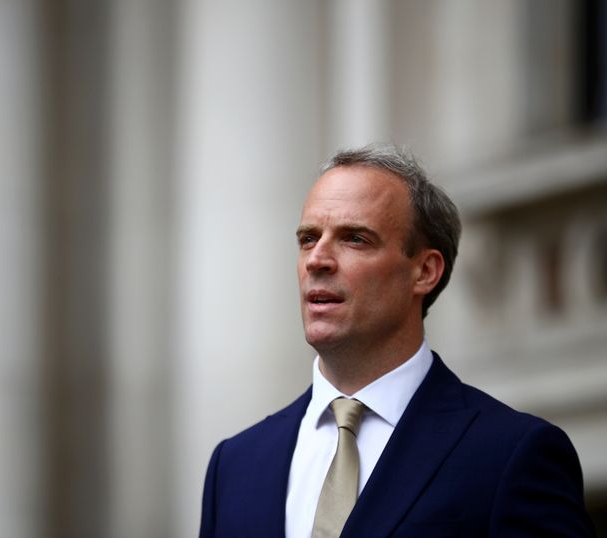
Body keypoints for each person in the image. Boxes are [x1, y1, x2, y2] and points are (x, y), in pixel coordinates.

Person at [199, 144, 594, 537]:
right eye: (307, 238)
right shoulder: (235, 465)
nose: (317, 259)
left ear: (424, 271)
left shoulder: (511, 454)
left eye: (354, 238)